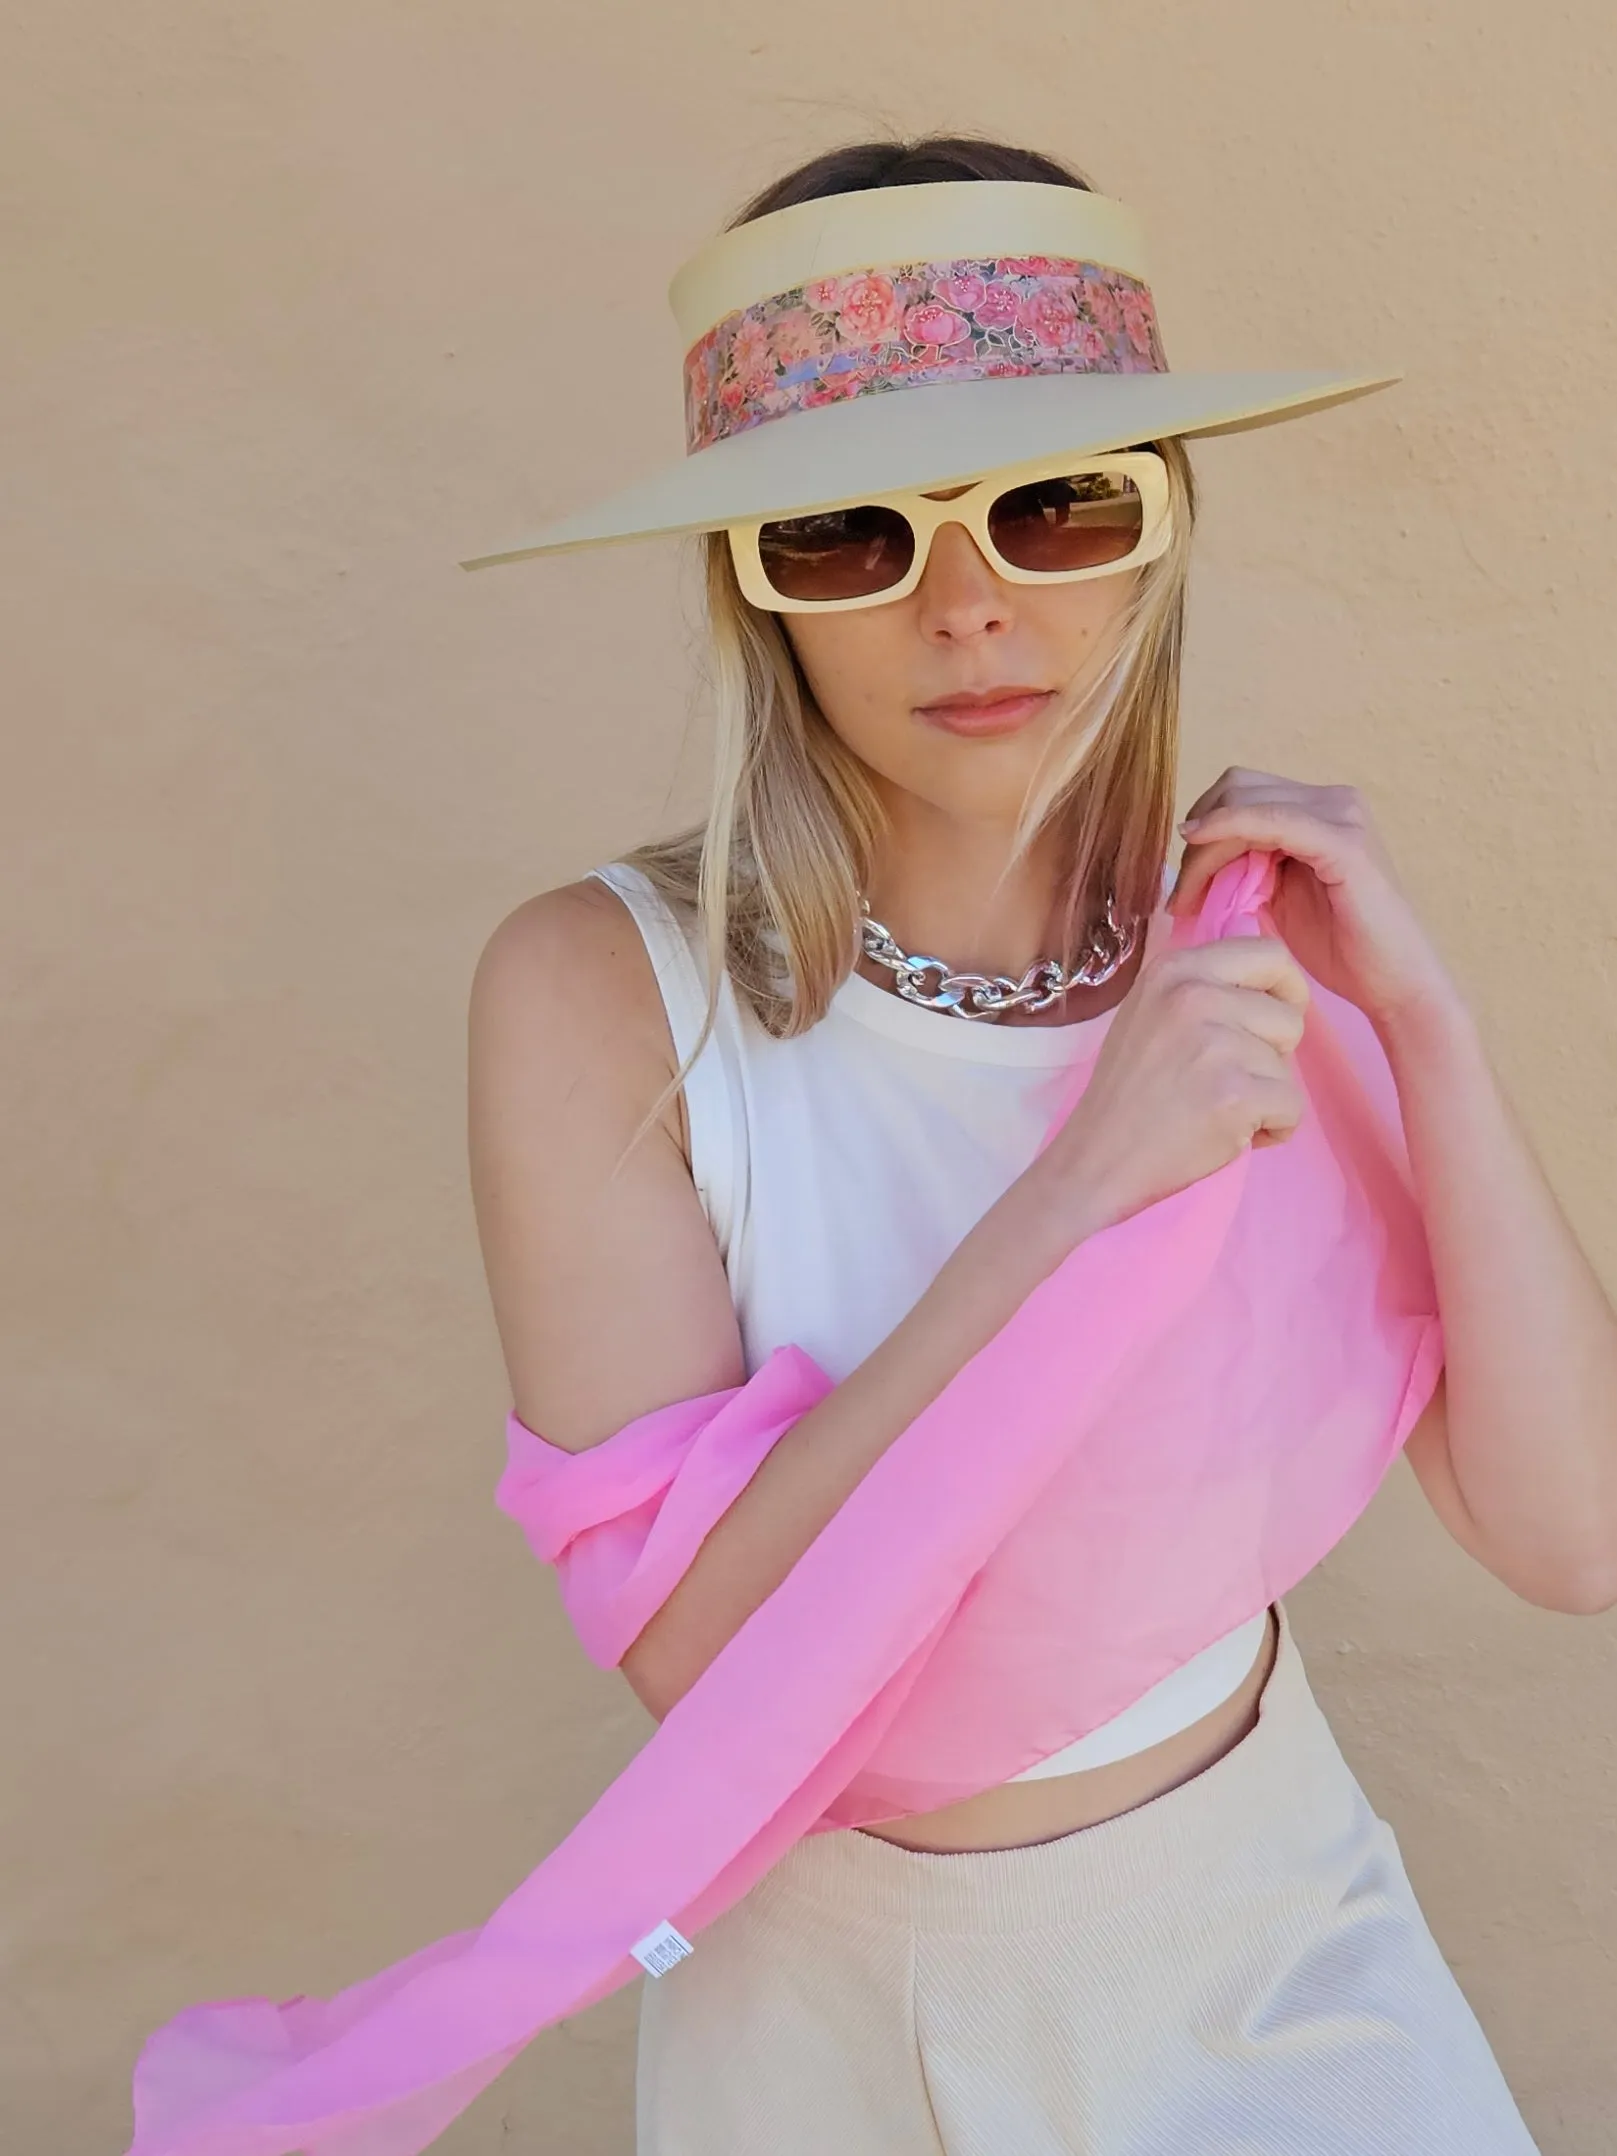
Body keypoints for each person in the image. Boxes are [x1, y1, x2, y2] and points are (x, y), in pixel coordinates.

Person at [462, 137, 1616, 2153]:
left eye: (1055, 504)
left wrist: (1419, 1025)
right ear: (756, 591)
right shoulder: (602, 996)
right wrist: (1082, 1189)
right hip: (802, 2007)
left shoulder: (1252, 958)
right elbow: (700, 1662)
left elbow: (1574, 1534)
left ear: (1157, 536)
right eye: (849, 533)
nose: (973, 607)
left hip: (1262, 1958)